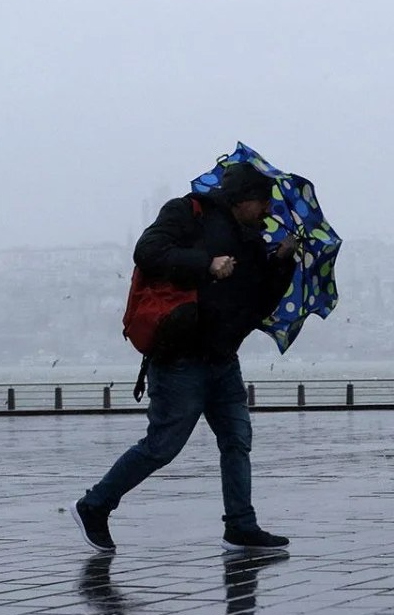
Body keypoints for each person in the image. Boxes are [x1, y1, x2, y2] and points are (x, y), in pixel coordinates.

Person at [71, 162, 297, 553]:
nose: (268, 211)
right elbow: (148, 251)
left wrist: (281, 262)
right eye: (263, 201)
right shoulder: (186, 212)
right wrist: (206, 264)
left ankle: (241, 526)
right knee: (163, 445)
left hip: (223, 360)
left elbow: (259, 304)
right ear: (242, 199)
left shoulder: (253, 241)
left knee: (237, 440)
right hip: (180, 358)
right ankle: (95, 505)